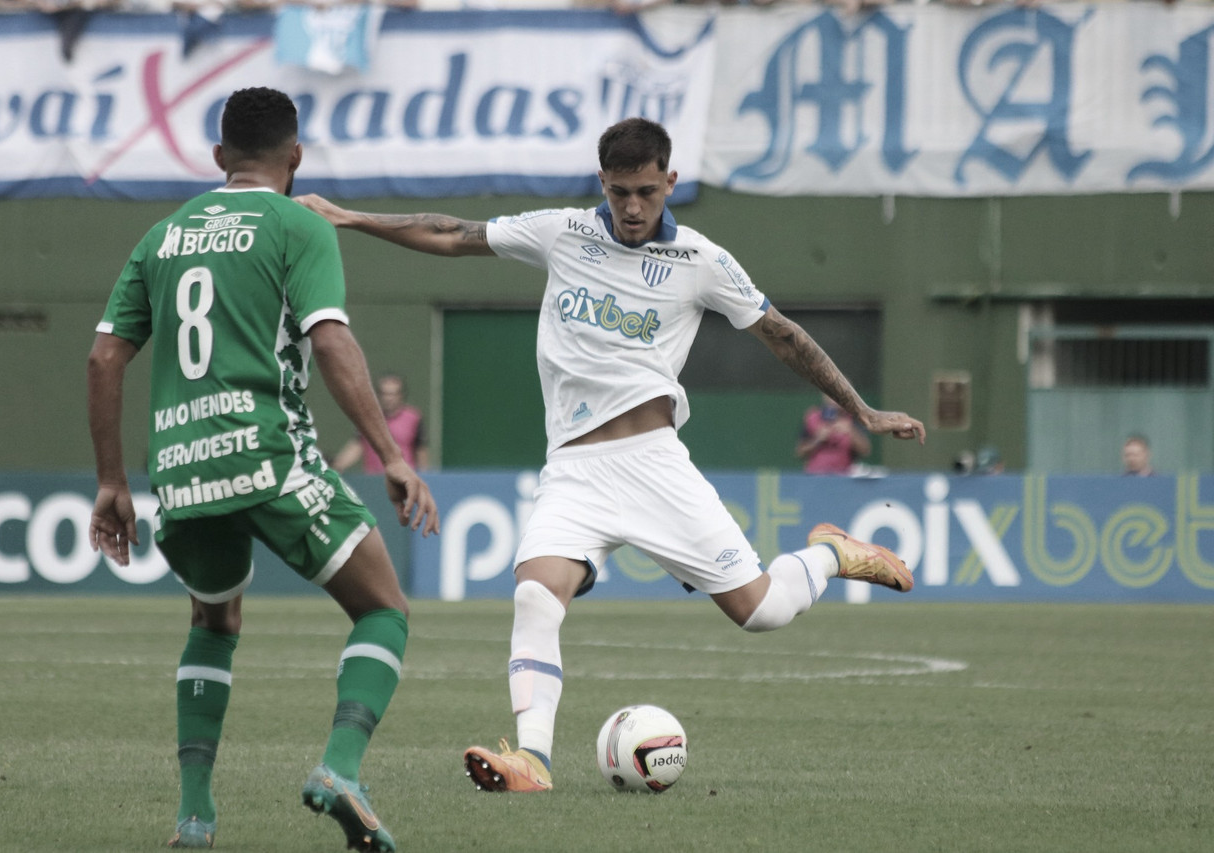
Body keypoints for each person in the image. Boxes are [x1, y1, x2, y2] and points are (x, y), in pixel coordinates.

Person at [295, 116, 925, 795]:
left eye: (647, 191)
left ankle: (831, 552)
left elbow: (782, 334)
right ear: (602, 181)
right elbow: (454, 234)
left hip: (654, 465)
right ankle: (532, 759)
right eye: (620, 191)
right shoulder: (563, 232)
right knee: (536, 592)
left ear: (671, 182)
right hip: (572, 471)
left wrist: (861, 409)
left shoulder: (700, 262)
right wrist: (346, 216)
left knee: (763, 609)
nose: (631, 206)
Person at [87, 87, 438, 851]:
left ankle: (195, 814)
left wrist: (112, 482)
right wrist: (392, 456)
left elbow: (105, 355)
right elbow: (333, 341)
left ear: (218, 158)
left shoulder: (163, 235)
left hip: (181, 472)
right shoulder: (297, 223)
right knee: (384, 608)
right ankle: (341, 766)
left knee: (214, 622)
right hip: (267, 455)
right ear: (296, 157)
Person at [331, 373, 429, 474]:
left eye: (393, 394)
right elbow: (358, 445)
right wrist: (337, 465)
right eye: (385, 394)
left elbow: (421, 450)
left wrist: (424, 477)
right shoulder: (368, 418)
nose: (389, 398)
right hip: (374, 480)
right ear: (378, 395)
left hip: (404, 480)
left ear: (401, 395)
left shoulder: (414, 418)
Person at [795, 393, 871, 474]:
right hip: (816, 476)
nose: (834, 399)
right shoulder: (813, 417)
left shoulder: (853, 418)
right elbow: (800, 451)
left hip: (844, 475)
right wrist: (818, 439)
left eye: (839, 392)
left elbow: (865, 450)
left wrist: (850, 430)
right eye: (831, 392)